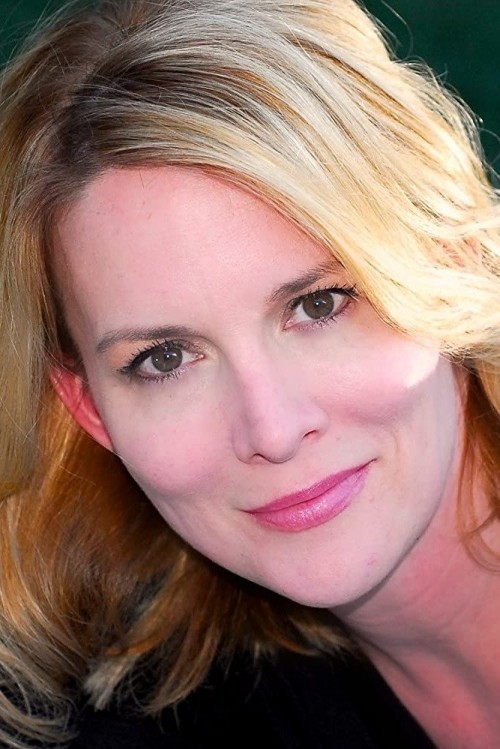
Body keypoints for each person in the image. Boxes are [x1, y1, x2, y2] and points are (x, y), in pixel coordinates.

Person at [0, 0, 499, 746]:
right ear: (89, 408)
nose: (272, 429)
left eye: (318, 304)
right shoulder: (152, 716)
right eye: (165, 358)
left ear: (447, 255)